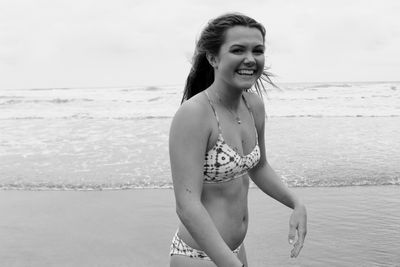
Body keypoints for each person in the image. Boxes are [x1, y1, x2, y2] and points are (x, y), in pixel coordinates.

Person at [169, 13, 307, 267]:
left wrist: (296, 203)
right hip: (199, 257)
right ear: (213, 58)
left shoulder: (253, 105)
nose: (250, 59)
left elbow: (259, 166)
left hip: (235, 252)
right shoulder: (194, 114)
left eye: (258, 50)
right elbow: (187, 206)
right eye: (237, 50)